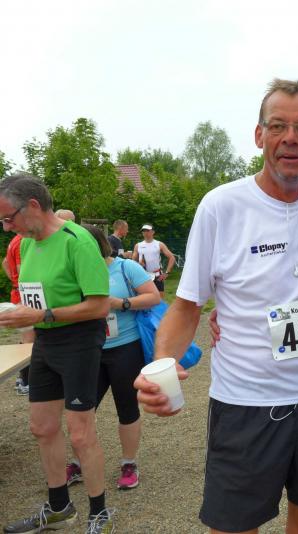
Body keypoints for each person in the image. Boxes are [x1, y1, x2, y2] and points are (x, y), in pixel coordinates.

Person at [134, 78, 298, 534]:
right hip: (245, 403)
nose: (290, 138)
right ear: (259, 136)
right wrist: (161, 365)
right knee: (233, 526)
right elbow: (187, 305)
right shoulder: (221, 206)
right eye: (278, 126)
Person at [0, 174, 115, 533]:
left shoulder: (76, 240)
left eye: (9, 218)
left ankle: (99, 513)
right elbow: (33, 295)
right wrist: (22, 314)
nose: (7, 227)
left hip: (79, 340)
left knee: (80, 434)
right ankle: (59, 507)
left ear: (33, 205)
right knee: (42, 427)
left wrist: (42, 315)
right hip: (45, 341)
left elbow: (99, 306)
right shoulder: (26, 243)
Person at [64, 224, 159, 491]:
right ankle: (78, 462)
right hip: (88, 349)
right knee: (80, 410)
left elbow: (153, 297)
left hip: (125, 347)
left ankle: (129, 463)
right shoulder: (73, 271)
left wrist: (121, 303)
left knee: (126, 407)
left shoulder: (125, 267)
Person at [2, 232, 35, 395]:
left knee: (28, 338)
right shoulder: (24, 240)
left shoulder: (16, 239)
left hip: (21, 292)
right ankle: (25, 381)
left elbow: (5, 262)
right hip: (25, 294)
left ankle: (24, 379)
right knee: (29, 340)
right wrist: (18, 281)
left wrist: (14, 281)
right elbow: (22, 269)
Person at [132, 224, 175, 297]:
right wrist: (139, 264)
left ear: (153, 232)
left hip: (157, 276)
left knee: (159, 300)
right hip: (143, 276)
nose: (145, 232)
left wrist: (167, 273)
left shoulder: (159, 244)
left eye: (147, 230)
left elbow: (172, 257)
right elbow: (133, 262)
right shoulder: (138, 245)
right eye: (143, 231)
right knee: (144, 299)